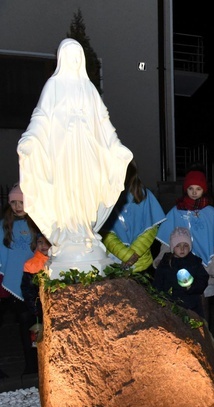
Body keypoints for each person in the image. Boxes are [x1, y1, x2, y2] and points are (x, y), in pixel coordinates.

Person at [17, 38, 132, 266]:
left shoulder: (88, 88)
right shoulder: (54, 86)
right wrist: (29, 140)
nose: (74, 59)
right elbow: (41, 117)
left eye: (77, 56)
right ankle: (69, 236)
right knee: (67, 191)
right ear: (62, 59)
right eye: (70, 55)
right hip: (63, 153)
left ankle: (84, 232)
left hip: (87, 151)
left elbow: (103, 121)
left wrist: (116, 145)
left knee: (87, 191)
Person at [155, 168, 214, 324]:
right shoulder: (176, 211)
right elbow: (168, 240)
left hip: (205, 267)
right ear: (185, 189)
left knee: (203, 304)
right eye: (190, 188)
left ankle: (205, 335)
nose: (194, 192)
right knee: (181, 304)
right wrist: (162, 259)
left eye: (198, 189)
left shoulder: (211, 213)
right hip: (178, 265)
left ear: (204, 190)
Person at [100, 160, 166, 274]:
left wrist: (135, 254)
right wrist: (127, 255)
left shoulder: (145, 196)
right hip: (115, 262)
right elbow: (106, 233)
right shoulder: (105, 199)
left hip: (142, 264)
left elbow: (151, 230)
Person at [0, 184, 37, 375]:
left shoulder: (37, 223)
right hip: (11, 282)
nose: (17, 206)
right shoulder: (5, 224)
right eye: (13, 202)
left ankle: (34, 364)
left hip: (32, 280)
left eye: (21, 202)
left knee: (32, 324)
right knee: (21, 323)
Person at [153, 227, 209, 317]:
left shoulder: (194, 262)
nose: (182, 249)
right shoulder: (166, 263)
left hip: (192, 304)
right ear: (172, 247)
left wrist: (192, 287)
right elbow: (158, 282)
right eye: (178, 246)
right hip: (171, 304)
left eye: (185, 245)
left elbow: (203, 279)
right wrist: (159, 298)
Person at [21, 232, 51, 328]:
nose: (43, 245)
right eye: (40, 242)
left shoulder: (59, 261)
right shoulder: (30, 264)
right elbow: (27, 289)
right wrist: (35, 310)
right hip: (39, 308)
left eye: (47, 242)